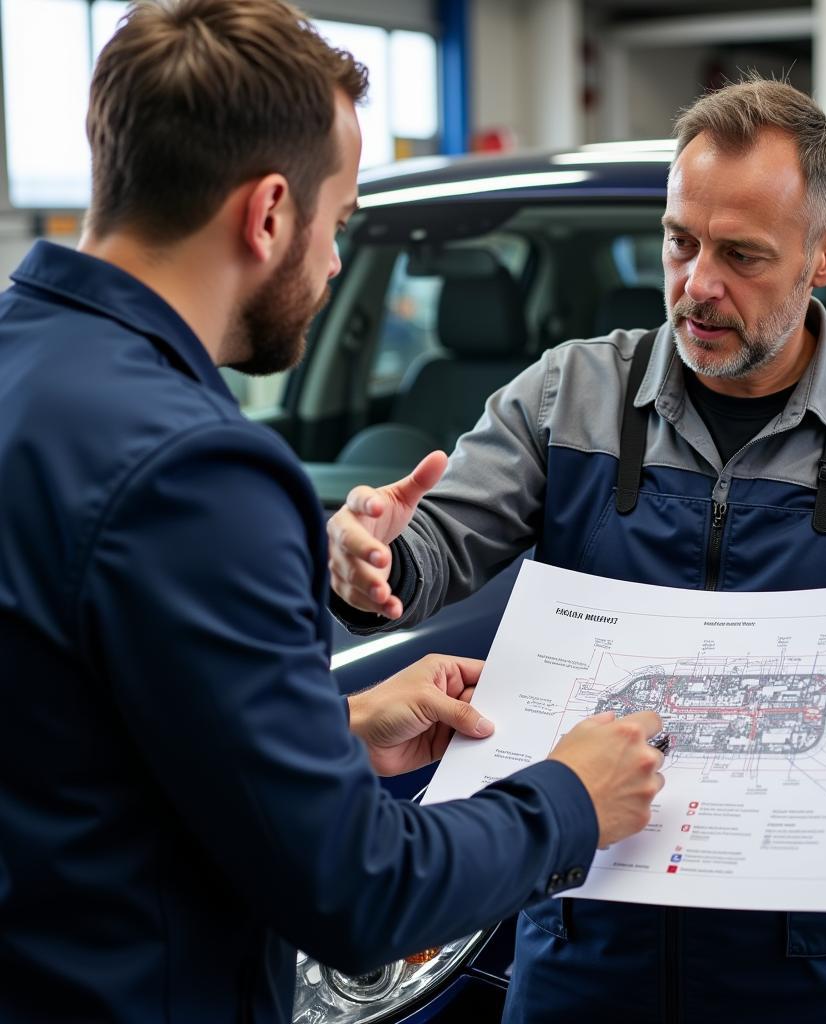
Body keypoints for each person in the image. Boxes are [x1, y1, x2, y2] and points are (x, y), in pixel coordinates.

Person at [0, 2, 668, 1022]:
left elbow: (67, 730)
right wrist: (572, 797)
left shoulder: (22, 368)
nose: (337, 262)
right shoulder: (201, 468)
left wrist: (336, 723)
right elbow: (360, 889)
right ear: (269, 213)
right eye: (341, 221)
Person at [328, 77, 826, 1023]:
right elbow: (438, 547)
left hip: (814, 975)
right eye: (679, 241)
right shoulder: (563, 398)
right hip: (586, 957)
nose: (698, 284)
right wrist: (377, 562)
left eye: (741, 255)